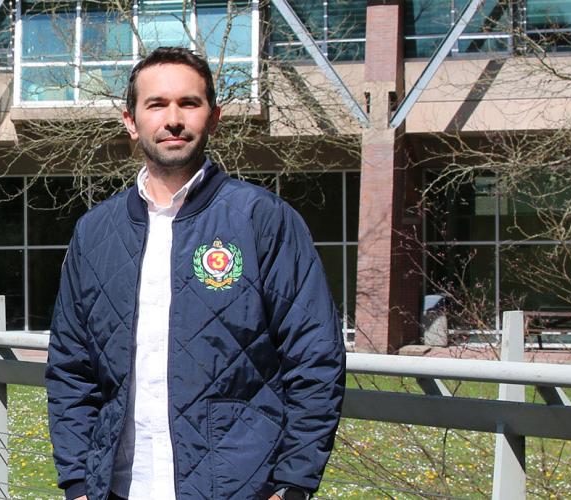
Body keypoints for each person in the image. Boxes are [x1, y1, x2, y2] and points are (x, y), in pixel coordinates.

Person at [45, 47, 346, 500]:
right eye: (156, 104)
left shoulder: (263, 220)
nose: (173, 119)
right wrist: (76, 483)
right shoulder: (95, 234)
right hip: (118, 488)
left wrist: (292, 485)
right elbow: (71, 368)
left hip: (238, 488)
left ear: (214, 116)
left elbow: (315, 358)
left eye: (189, 103)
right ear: (131, 121)